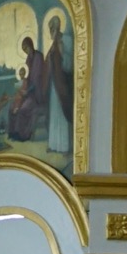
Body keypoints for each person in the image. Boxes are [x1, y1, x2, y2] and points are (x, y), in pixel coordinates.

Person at [43, 16, 74, 156]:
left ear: (57, 28)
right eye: (50, 29)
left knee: (62, 113)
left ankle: (65, 147)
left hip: (63, 83)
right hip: (54, 83)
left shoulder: (65, 40)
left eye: (53, 29)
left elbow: (69, 64)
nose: (51, 32)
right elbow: (49, 61)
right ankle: (53, 145)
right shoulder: (54, 43)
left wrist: (61, 52)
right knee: (54, 113)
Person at [6, 36, 45, 142]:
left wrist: (27, 91)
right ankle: (13, 133)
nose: (25, 51)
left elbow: (37, 79)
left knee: (23, 109)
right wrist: (23, 89)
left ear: (30, 45)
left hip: (36, 94)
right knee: (12, 107)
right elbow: (26, 77)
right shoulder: (28, 59)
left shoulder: (38, 57)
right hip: (27, 92)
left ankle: (23, 135)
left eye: (26, 48)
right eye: (23, 49)